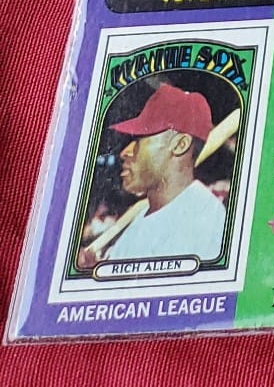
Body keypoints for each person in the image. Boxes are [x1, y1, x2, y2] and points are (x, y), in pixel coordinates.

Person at [81, 84, 227, 266]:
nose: (125, 152)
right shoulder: (142, 214)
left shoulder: (203, 217)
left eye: (140, 139)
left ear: (180, 145)